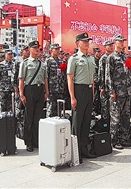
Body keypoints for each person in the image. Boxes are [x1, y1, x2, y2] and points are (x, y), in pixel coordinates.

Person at [67, 32, 97, 162]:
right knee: (77, 123)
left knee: (86, 122)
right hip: (78, 90)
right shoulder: (73, 58)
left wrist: (92, 93)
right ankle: (75, 151)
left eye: (88, 41)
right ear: (78, 43)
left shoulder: (91, 58)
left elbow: (92, 79)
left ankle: (84, 150)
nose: (87, 43)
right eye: (84, 41)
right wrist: (72, 97)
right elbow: (70, 78)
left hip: (89, 91)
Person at [19, 41, 49, 152]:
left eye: (38, 48)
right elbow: (21, 79)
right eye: (35, 48)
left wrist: (46, 92)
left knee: (38, 117)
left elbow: (45, 79)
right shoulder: (25, 63)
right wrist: (22, 94)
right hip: (29, 90)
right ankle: (28, 142)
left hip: (40, 90)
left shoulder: (43, 63)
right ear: (30, 49)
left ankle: (36, 140)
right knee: (29, 117)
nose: (37, 50)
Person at [106, 34, 131, 149]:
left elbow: (128, 73)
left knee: (125, 117)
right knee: (115, 117)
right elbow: (108, 76)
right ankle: (114, 140)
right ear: (115, 42)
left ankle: (124, 138)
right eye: (120, 41)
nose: (122, 43)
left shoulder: (125, 57)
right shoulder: (111, 57)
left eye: (123, 41)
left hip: (126, 91)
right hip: (117, 91)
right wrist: (112, 91)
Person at [45, 43, 65, 117]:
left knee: (59, 109)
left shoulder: (61, 61)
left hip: (60, 89)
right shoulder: (48, 61)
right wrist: (46, 90)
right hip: (52, 89)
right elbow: (46, 76)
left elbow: (63, 75)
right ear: (51, 50)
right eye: (56, 49)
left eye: (58, 49)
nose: (58, 51)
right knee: (50, 109)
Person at [98, 40, 114, 119]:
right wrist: (102, 87)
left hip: (112, 86)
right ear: (105, 47)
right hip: (105, 85)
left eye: (112, 45)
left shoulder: (114, 57)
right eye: (109, 45)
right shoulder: (103, 58)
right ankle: (105, 124)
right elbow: (101, 73)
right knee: (105, 106)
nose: (111, 47)